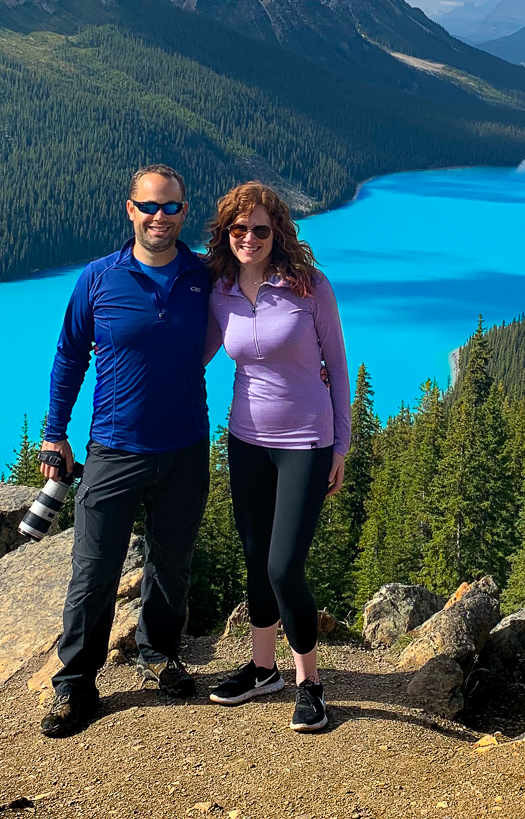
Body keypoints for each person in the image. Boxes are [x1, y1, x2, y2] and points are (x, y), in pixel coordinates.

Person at [39, 164, 212, 738]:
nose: (159, 217)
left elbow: (263, 306)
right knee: (93, 570)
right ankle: (76, 685)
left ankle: (158, 654)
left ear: (184, 213)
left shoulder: (203, 277)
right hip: (114, 448)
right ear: (129, 209)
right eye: (149, 206)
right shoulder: (98, 279)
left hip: (186, 446)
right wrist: (54, 431)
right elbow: (69, 357)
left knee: (172, 564)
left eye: (171, 208)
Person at [203, 182, 350, 732]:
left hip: (305, 445)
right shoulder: (221, 290)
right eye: (238, 230)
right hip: (245, 441)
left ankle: (309, 680)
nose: (249, 238)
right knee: (255, 559)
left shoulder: (309, 287)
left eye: (260, 230)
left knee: (284, 566)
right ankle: (263, 669)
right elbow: (199, 352)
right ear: (227, 234)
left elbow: (336, 364)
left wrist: (341, 445)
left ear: (277, 232)